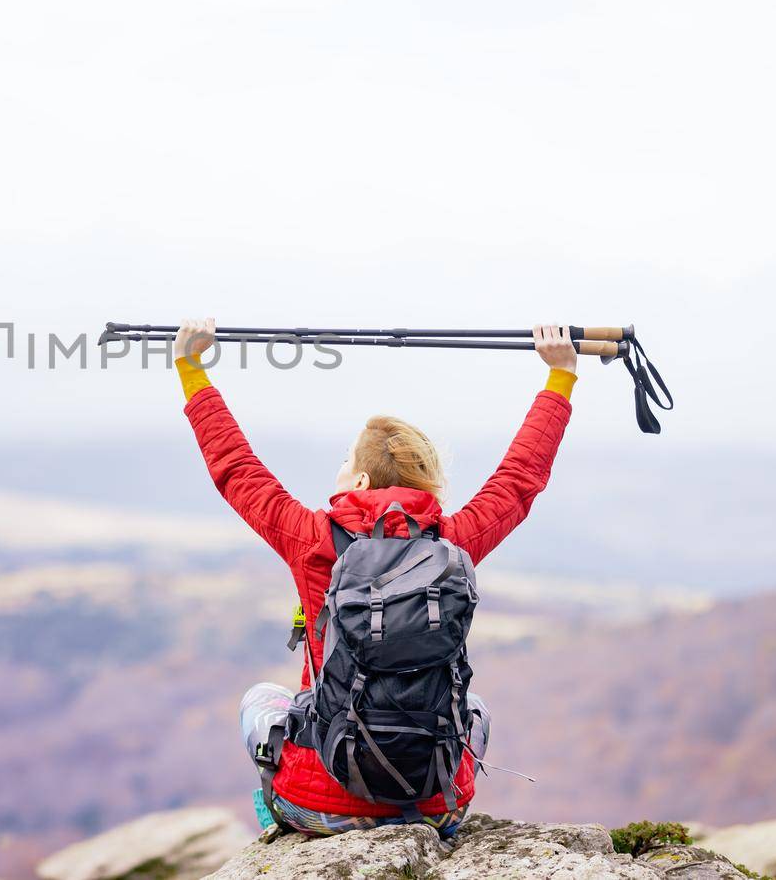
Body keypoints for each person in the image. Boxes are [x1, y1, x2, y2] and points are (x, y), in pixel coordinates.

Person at [169, 318, 579, 838]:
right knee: (474, 706)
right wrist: (560, 377)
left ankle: (285, 812)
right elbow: (520, 480)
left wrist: (192, 368)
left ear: (361, 480)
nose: (339, 468)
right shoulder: (453, 542)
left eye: (345, 461)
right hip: (437, 809)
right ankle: (419, 802)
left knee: (260, 699)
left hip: (322, 809)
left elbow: (235, 467)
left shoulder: (311, 538)